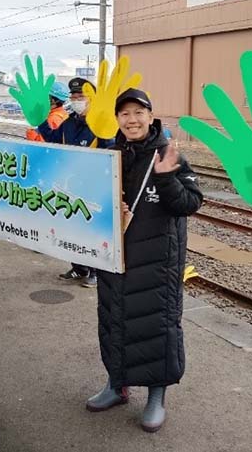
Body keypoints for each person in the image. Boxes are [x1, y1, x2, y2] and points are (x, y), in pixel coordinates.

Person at [88, 88, 202, 432]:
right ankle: (116, 384)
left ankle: (156, 397)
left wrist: (167, 178)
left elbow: (191, 203)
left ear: (151, 117)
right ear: (117, 119)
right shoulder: (109, 153)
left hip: (157, 261)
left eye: (139, 113)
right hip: (114, 257)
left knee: (156, 327)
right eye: (124, 114)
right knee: (113, 319)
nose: (132, 120)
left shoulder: (168, 153)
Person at [38, 76, 114, 287]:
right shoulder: (69, 122)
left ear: (93, 98)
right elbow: (54, 140)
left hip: (94, 187)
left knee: (93, 231)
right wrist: (40, 122)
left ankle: (97, 271)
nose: (76, 99)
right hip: (70, 185)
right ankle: (79, 267)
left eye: (81, 96)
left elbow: (112, 153)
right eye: (74, 96)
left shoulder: (102, 123)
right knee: (72, 229)